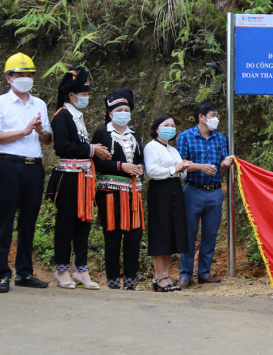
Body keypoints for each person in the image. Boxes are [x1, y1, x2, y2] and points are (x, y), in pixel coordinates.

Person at [0, 53, 52, 293]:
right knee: (4, 220)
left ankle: (24, 272)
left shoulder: (40, 104)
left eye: (29, 75)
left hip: (34, 166)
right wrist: (23, 132)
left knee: (28, 221)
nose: (25, 79)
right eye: (20, 75)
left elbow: (47, 140)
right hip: (8, 165)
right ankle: (1, 274)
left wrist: (40, 130)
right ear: (9, 77)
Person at [46, 67, 111, 290]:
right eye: (82, 94)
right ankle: (61, 269)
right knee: (66, 223)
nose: (85, 98)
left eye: (86, 94)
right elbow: (62, 146)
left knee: (84, 222)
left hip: (85, 176)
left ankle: (81, 270)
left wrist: (92, 150)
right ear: (71, 95)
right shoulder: (61, 115)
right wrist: (92, 149)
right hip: (69, 177)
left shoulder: (77, 116)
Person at [175, 102, 234, 289]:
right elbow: (181, 163)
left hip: (215, 191)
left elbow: (223, 163)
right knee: (189, 233)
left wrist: (226, 162)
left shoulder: (219, 138)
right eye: (213, 115)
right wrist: (200, 167)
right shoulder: (185, 136)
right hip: (193, 190)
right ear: (202, 117)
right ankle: (185, 274)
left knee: (210, 233)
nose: (216, 119)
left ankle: (204, 273)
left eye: (217, 115)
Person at [91, 89, 144, 290]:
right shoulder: (102, 133)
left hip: (133, 192)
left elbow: (140, 160)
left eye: (127, 109)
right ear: (111, 114)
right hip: (110, 192)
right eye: (119, 110)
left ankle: (130, 280)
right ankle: (113, 279)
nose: (124, 113)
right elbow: (98, 163)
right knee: (112, 235)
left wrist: (140, 167)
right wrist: (122, 166)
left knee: (134, 236)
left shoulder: (135, 135)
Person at [144, 113, 192, 292]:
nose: (170, 128)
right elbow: (151, 171)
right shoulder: (151, 147)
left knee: (171, 233)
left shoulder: (173, 149)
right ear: (157, 128)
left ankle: (165, 275)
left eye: (173, 125)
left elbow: (182, 172)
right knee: (160, 232)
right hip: (160, 191)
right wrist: (175, 168)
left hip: (175, 191)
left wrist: (182, 168)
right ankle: (159, 276)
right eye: (166, 125)